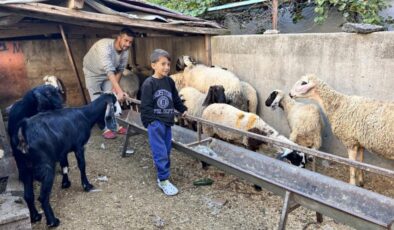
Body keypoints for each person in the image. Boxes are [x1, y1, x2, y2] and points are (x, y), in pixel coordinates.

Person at [140, 49, 187, 196]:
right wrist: (150, 122)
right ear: (153, 65)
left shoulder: (169, 81)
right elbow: (145, 106)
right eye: (163, 64)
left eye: (168, 64)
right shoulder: (149, 84)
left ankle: (161, 169)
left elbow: (175, 98)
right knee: (160, 152)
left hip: (167, 121)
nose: (167, 67)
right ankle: (163, 180)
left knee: (166, 150)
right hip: (156, 124)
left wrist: (182, 109)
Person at [83, 28, 135, 139]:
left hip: (107, 75)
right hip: (92, 73)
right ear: (119, 38)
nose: (128, 44)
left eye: (130, 42)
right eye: (126, 40)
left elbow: (120, 69)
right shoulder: (104, 46)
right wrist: (120, 91)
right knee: (97, 101)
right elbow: (109, 70)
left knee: (110, 99)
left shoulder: (126, 51)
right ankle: (104, 128)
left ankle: (114, 125)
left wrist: (115, 89)